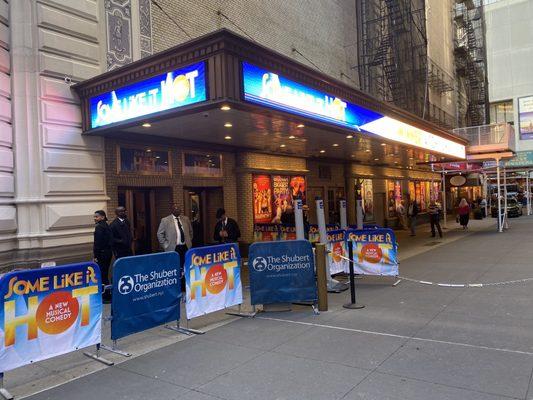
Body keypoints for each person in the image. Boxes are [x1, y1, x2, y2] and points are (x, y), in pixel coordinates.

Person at [157, 205, 193, 288]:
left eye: (179, 209)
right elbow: (159, 234)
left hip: (185, 247)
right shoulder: (165, 220)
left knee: (185, 266)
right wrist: (165, 245)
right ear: (172, 210)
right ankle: (176, 286)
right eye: (176, 209)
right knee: (174, 267)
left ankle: (185, 286)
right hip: (173, 248)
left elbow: (191, 232)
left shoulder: (186, 219)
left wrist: (189, 241)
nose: (178, 210)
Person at [93, 210, 113, 302]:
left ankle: (105, 295)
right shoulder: (107, 225)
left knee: (102, 274)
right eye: (94, 217)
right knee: (105, 273)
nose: (95, 219)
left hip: (101, 254)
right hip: (108, 253)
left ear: (102, 217)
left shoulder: (99, 227)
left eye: (96, 217)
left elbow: (97, 243)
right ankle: (107, 293)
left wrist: (96, 256)